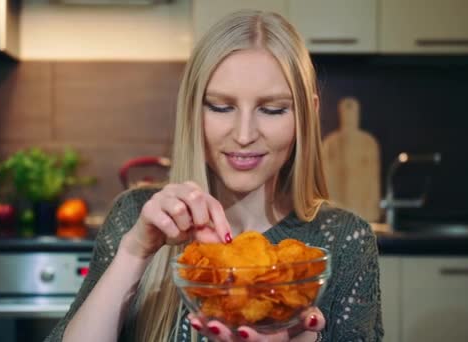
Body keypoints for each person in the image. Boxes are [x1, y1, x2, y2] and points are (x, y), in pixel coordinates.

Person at [46, 10, 383, 342]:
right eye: (221, 107)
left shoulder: (346, 241)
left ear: (306, 114)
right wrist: (134, 254)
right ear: (193, 110)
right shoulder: (135, 216)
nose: (245, 134)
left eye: (272, 109)